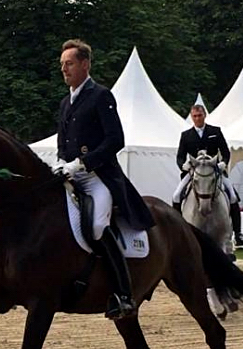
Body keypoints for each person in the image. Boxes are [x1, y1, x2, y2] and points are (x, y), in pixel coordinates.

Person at [53, 39, 155, 320]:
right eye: (62, 64)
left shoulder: (101, 96)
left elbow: (116, 140)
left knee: (98, 225)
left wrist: (83, 163)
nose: (64, 69)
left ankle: (123, 294)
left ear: (85, 64)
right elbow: (63, 142)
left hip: (98, 177)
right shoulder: (65, 102)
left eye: (69, 63)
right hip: (72, 174)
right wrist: (62, 163)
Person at [172, 105, 243, 246]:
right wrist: (183, 166)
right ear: (191, 117)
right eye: (194, 116)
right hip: (195, 172)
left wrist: (224, 162)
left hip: (214, 171)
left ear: (204, 115)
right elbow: (180, 156)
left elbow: (225, 152)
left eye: (199, 116)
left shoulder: (215, 131)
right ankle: (177, 231)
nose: (197, 119)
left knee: (232, 196)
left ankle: (238, 233)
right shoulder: (186, 135)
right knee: (176, 195)